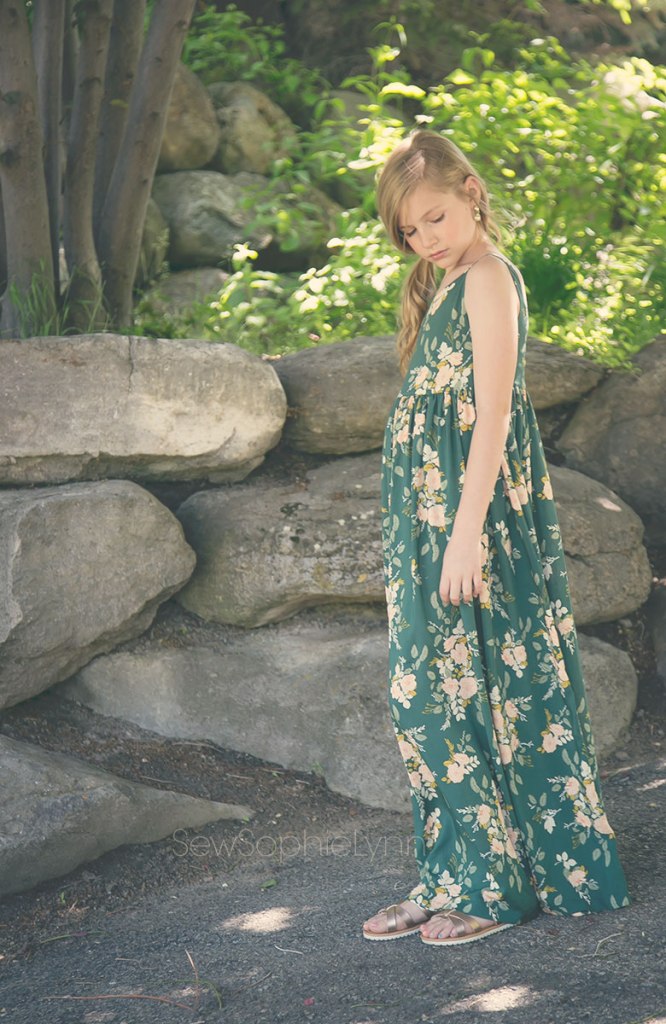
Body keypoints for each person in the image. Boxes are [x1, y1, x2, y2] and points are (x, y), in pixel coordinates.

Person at [363, 129, 632, 946]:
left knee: (460, 689)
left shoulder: (487, 279)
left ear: (473, 195)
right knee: (430, 694)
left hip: (469, 519)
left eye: (436, 218)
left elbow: (495, 414)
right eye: (410, 229)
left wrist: (466, 533)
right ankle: (452, 871)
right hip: (426, 520)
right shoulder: (441, 282)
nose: (425, 238)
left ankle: (490, 887)